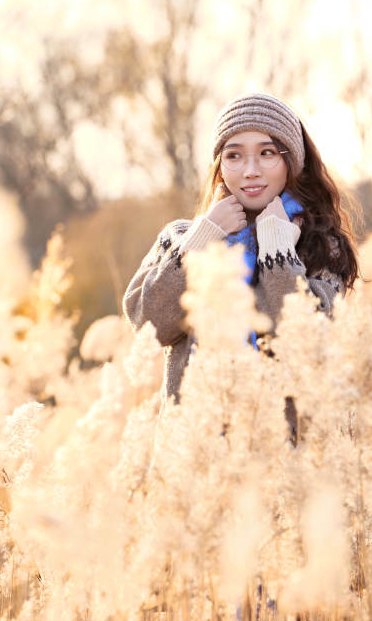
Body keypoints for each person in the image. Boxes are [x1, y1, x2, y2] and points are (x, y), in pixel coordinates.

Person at [123, 92, 359, 410]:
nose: (250, 170)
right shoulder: (181, 238)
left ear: (293, 164)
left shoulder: (319, 246)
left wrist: (278, 249)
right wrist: (204, 237)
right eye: (234, 156)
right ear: (220, 166)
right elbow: (148, 326)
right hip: (192, 446)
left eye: (267, 153)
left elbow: (307, 342)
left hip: (280, 447)